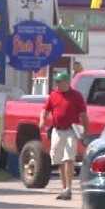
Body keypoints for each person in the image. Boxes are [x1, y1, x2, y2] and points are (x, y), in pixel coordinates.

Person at [40, 71, 89, 200]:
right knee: (59, 159)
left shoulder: (77, 96)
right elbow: (45, 110)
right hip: (57, 131)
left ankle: (68, 188)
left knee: (69, 158)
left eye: (60, 82)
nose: (57, 84)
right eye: (56, 82)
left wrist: (86, 131)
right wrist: (42, 120)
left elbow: (83, 115)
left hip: (71, 131)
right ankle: (64, 189)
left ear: (67, 82)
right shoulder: (53, 95)